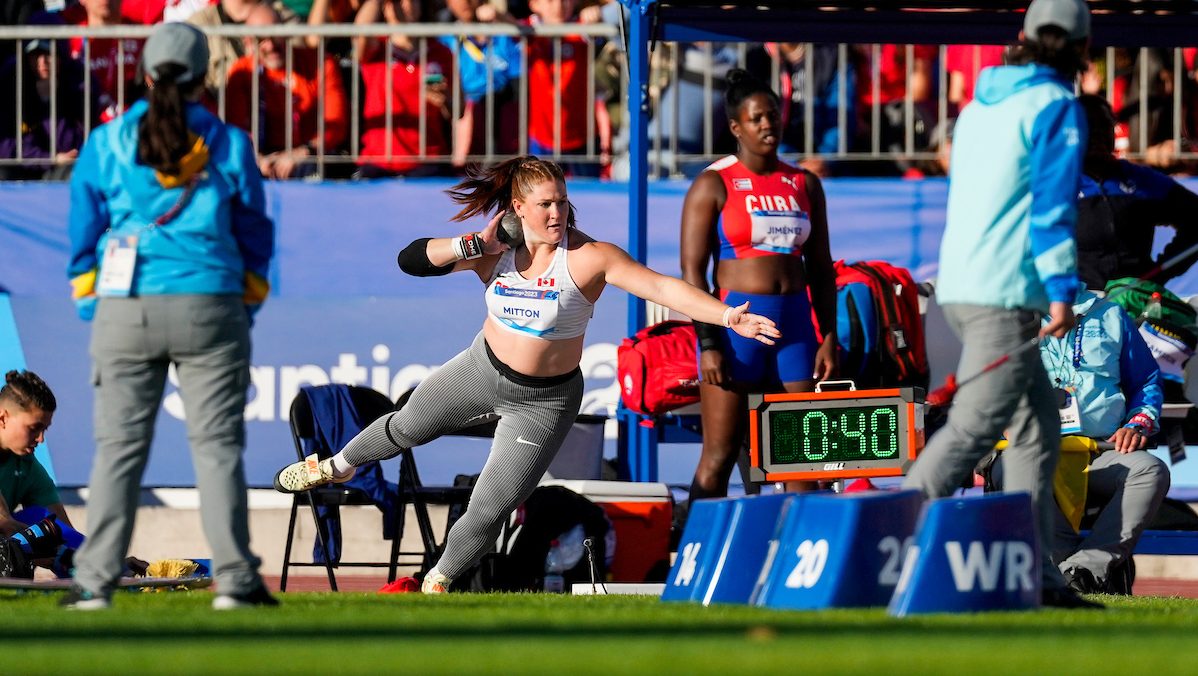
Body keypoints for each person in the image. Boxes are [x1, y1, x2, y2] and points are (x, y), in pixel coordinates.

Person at [272, 155, 781, 594]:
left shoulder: (588, 257)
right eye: (545, 204)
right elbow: (410, 261)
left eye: (562, 201)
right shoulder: (495, 252)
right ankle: (336, 465)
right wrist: (471, 245)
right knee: (405, 426)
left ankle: (436, 584)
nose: (557, 212)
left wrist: (726, 315)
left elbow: (661, 288)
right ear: (518, 209)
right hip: (481, 369)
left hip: (545, 401)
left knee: (488, 508)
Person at [65, 22, 276, 610]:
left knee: (118, 452)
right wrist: (246, 296)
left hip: (125, 306)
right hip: (211, 304)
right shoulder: (228, 142)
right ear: (204, 75)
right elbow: (256, 230)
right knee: (216, 450)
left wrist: (91, 303)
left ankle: (93, 584)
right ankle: (234, 583)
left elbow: (82, 234)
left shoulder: (107, 142)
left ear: (146, 71)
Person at [901, 0, 1098, 609]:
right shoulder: (1056, 107)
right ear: (1083, 50)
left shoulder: (982, 103)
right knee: (975, 426)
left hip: (961, 286)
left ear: (1021, 38)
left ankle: (1037, 577)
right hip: (1004, 293)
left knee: (1037, 426)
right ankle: (885, 540)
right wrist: (1062, 292)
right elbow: (1051, 210)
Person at [680, 68, 838, 506]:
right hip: (736, 329)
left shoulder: (804, 183)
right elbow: (692, 275)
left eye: (773, 115)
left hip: (794, 331)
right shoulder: (713, 183)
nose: (768, 124)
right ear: (736, 127)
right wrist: (709, 341)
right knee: (720, 453)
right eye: (756, 118)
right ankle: (693, 554)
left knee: (801, 457)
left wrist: (827, 335)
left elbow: (822, 267)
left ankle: (799, 558)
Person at [992, 290, 1168, 595]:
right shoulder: (1007, 318)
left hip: (1103, 451)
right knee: (1014, 471)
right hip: (1033, 451)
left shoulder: (1112, 314)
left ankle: (1085, 568)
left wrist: (1138, 422)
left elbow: (1147, 381)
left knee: (1151, 470)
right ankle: (1074, 576)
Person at [1075, 94, 1198, 292]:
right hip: (1075, 307)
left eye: (1105, 126)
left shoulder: (1142, 180)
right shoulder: (1056, 185)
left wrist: (1159, 273)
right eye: (1089, 126)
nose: (1098, 134)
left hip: (1135, 304)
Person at [224, 2, 348, 179]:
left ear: (287, 33)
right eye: (261, 39)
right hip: (263, 158)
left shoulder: (320, 63)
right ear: (248, 43)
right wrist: (255, 157)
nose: (271, 45)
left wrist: (304, 152)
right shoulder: (242, 72)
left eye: (276, 35)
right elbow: (234, 127)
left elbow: (336, 124)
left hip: (311, 154)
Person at [349, 0, 454, 178]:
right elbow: (360, 31)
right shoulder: (377, 49)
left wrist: (445, 100)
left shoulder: (441, 52)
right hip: (378, 161)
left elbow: (457, 110)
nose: (404, 4)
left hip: (428, 161)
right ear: (385, 7)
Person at [523, 0, 613, 177]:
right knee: (541, 195)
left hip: (581, 137)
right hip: (542, 138)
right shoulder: (530, 28)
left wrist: (599, 12)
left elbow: (619, 13)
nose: (558, 6)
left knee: (590, 195)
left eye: (564, 0)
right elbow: (508, 25)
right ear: (534, 4)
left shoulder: (583, 26)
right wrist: (493, 14)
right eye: (550, 0)